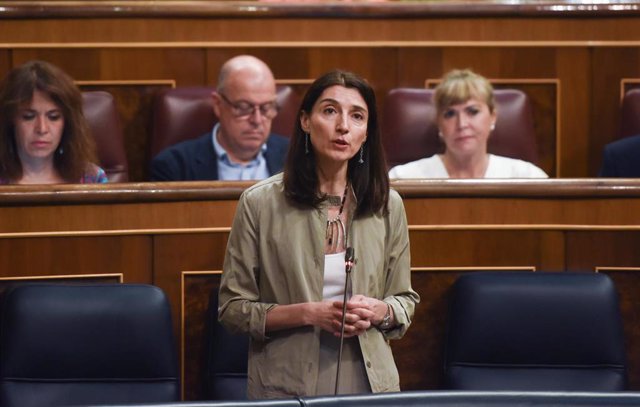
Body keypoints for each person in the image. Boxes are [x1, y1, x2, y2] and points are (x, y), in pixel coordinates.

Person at [218, 70, 419, 399]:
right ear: (305, 121)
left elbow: (404, 301)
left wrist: (379, 310)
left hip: (371, 385)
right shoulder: (259, 203)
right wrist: (308, 313)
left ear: (366, 133)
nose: (343, 126)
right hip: (287, 384)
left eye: (357, 116)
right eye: (329, 111)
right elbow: (232, 310)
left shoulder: (387, 204)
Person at [150, 55, 289, 181]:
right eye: (243, 107)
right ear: (218, 104)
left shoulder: (298, 158)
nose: (257, 120)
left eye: (266, 108)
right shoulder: (174, 167)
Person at [388, 69, 548, 179]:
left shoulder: (528, 177)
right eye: (450, 114)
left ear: (493, 117)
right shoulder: (403, 178)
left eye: (472, 111)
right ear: (439, 123)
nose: (462, 124)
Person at [0, 60, 107, 184]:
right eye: (28, 117)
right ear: (10, 120)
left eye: (54, 117)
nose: (42, 129)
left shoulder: (92, 178)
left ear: (67, 123)